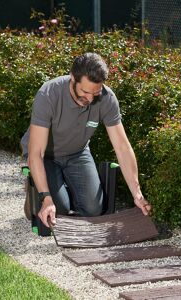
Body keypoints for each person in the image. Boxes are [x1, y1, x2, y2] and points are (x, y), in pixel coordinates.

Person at [21, 52, 151, 228]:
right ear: (72, 78)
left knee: (94, 209)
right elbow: (36, 152)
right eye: (85, 91)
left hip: (78, 152)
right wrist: (46, 196)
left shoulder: (107, 99)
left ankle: (62, 192)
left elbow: (122, 148)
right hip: (46, 156)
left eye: (95, 93)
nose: (89, 99)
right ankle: (34, 191)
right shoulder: (49, 94)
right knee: (58, 209)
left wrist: (137, 194)